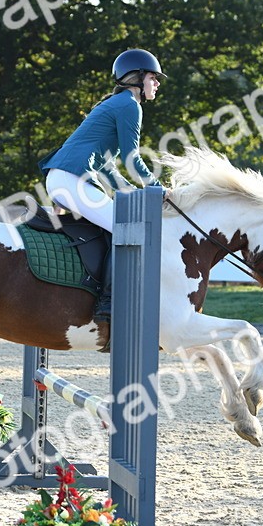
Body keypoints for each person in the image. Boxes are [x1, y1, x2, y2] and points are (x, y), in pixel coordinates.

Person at [40, 48, 166, 325]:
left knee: (111, 226)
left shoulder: (116, 103)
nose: (157, 84)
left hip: (63, 178)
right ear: (137, 78)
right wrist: (159, 190)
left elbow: (109, 166)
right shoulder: (129, 105)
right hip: (71, 178)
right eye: (154, 78)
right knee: (127, 231)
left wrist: (129, 191)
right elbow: (132, 159)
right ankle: (108, 303)